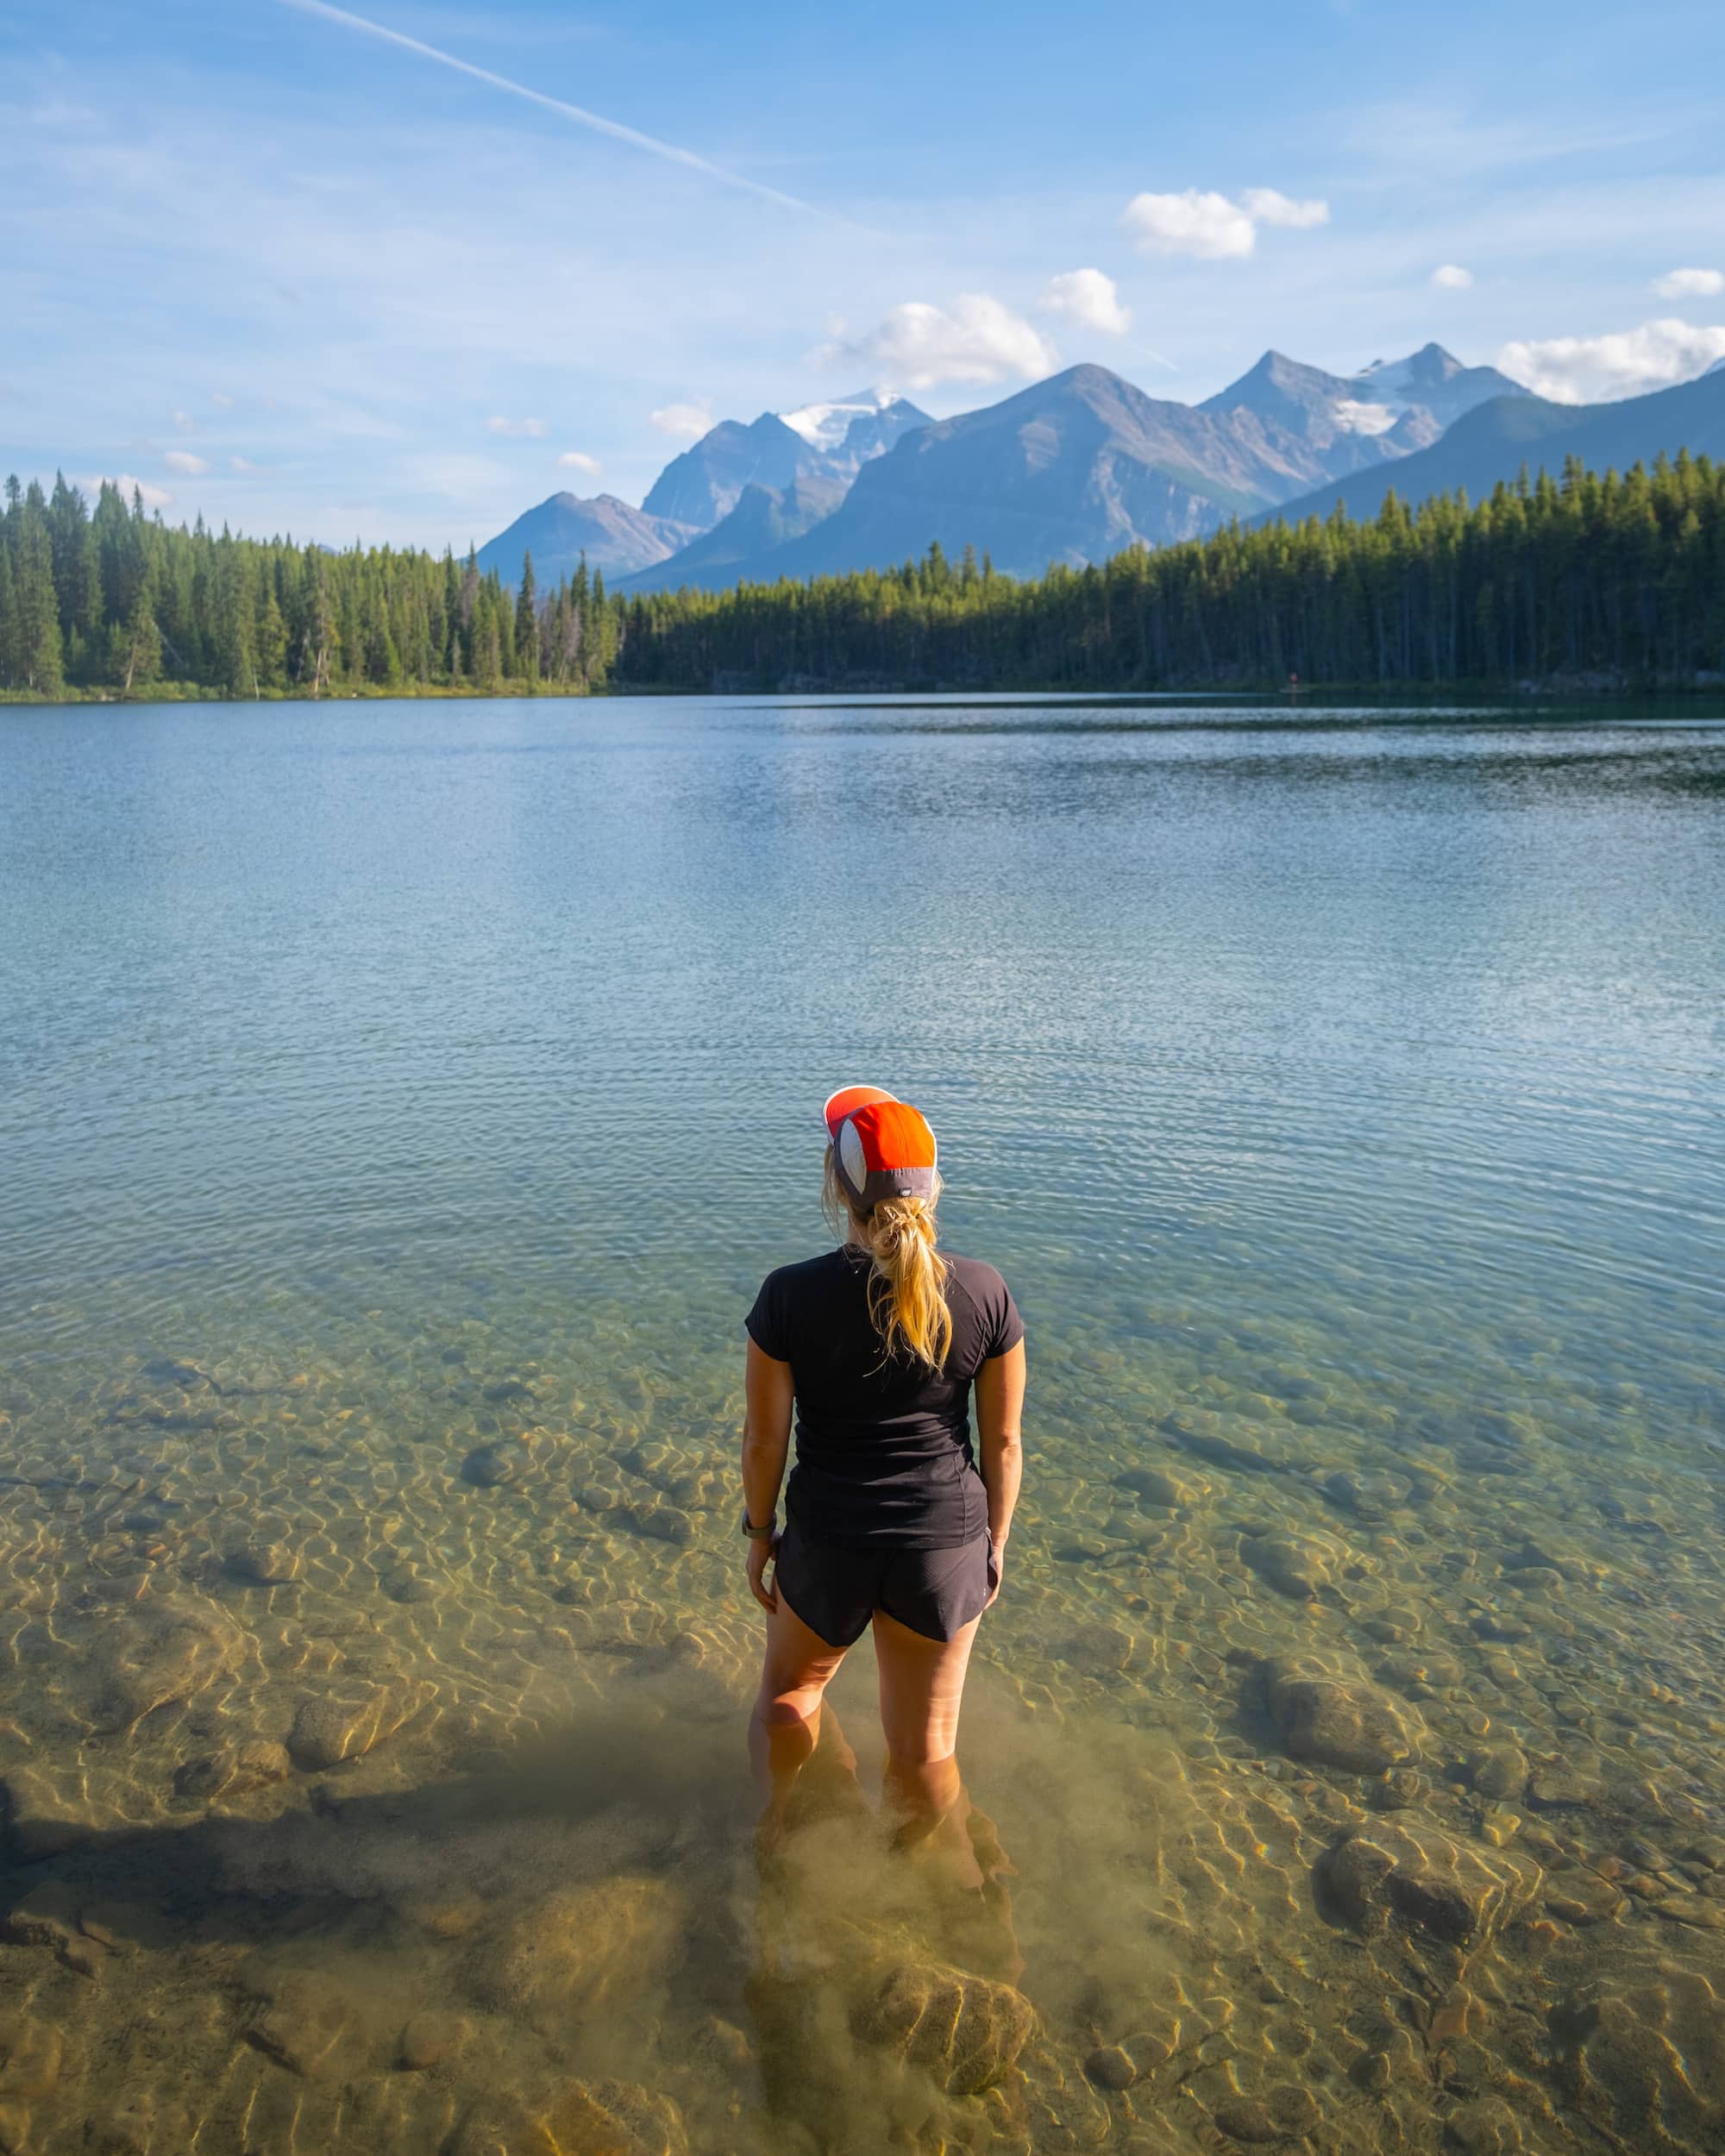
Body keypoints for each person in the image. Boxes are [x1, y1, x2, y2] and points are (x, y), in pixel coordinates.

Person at [742, 1085, 1026, 1851]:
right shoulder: (985, 1291)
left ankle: (785, 1835)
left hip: (829, 1537)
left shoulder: (788, 1295)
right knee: (925, 1749)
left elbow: (765, 1443)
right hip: (943, 1543)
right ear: (932, 1187)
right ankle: (945, 1898)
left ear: (839, 1187)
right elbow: (1001, 1445)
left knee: (789, 1698)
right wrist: (993, 1547)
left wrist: (759, 1533)